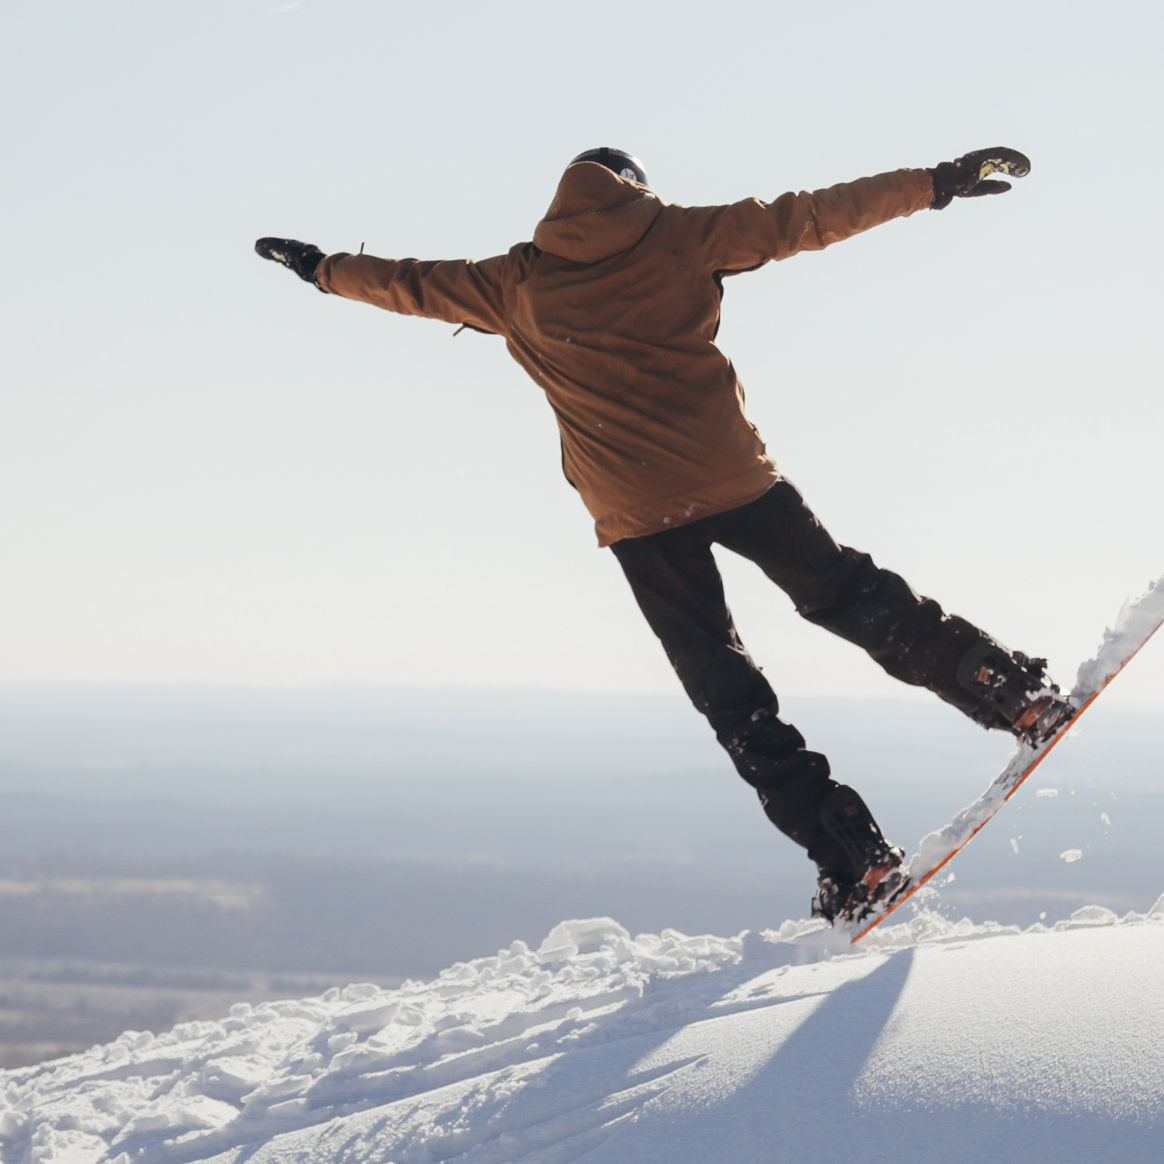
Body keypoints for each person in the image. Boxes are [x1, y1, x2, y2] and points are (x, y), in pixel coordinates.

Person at [256, 145, 1072, 924]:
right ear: (635, 186)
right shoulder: (682, 236)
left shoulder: (512, 283)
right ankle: (1008, 690)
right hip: (736, 479)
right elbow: (814, 216)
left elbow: (404, 284)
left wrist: (319, 269)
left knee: (727, 688)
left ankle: (850, 856)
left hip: (639, 516)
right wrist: (937, 181)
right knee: (852, 596)